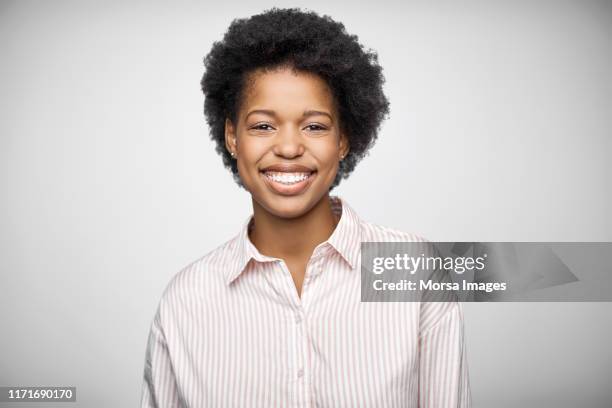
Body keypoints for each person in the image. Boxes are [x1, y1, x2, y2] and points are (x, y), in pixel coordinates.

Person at [140, 7, 471, 407]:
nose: (289, 147)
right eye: (263, 125)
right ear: (232, 137)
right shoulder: (185, 302)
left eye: (314, 126)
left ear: (344, 139)